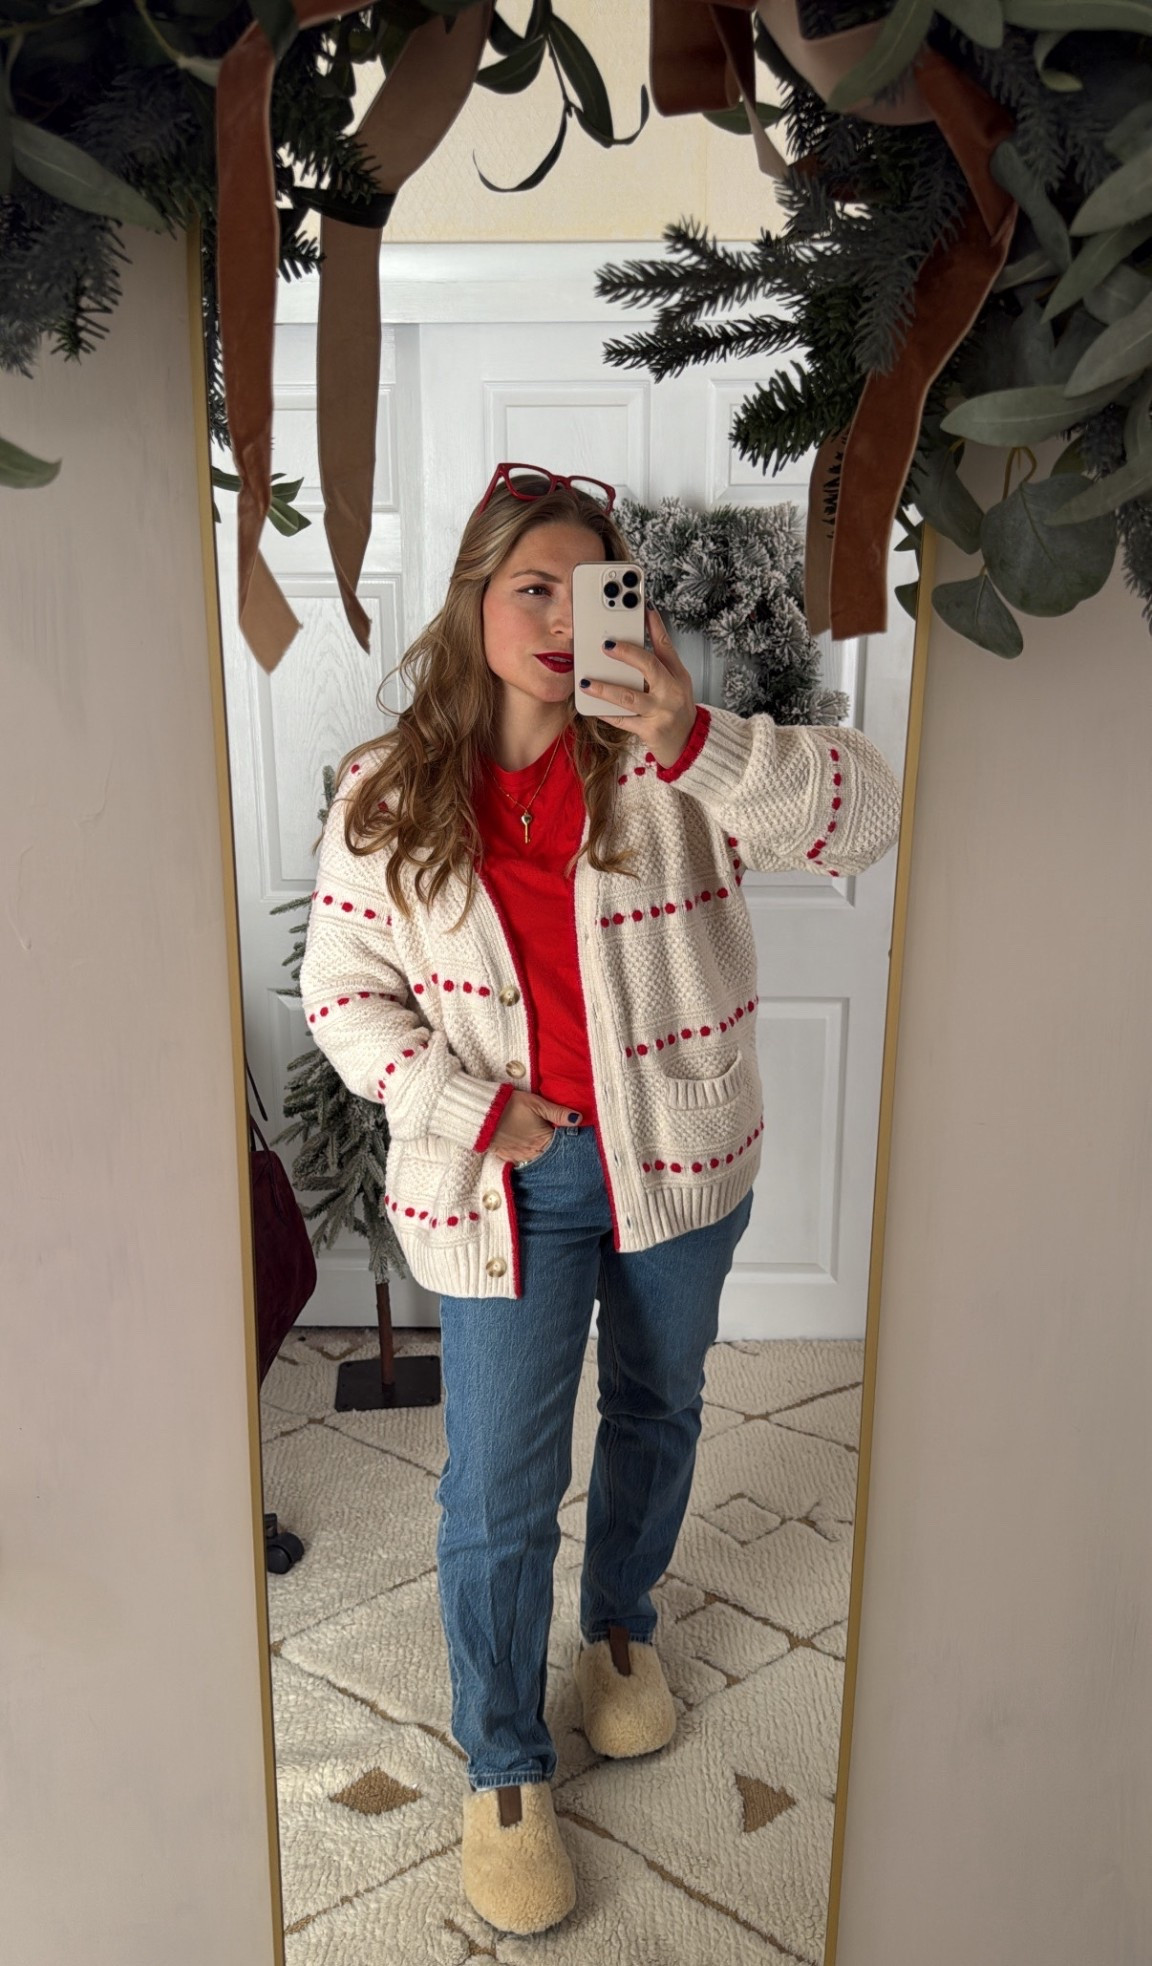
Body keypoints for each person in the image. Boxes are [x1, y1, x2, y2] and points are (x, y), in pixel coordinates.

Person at [298, 462, 903, 1936]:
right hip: (502, 1176)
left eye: (592, 590)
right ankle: (504, 1763)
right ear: (476, 600)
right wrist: (464, 1102)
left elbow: (863, 819)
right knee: (496, 1487)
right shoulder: (393, 787)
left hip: (679, 1161)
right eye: (533, 591)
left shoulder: (672, 761)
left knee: (660, 1406)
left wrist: (696, 734)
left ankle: (620, 1627)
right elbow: (343, 990)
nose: (567, 623)